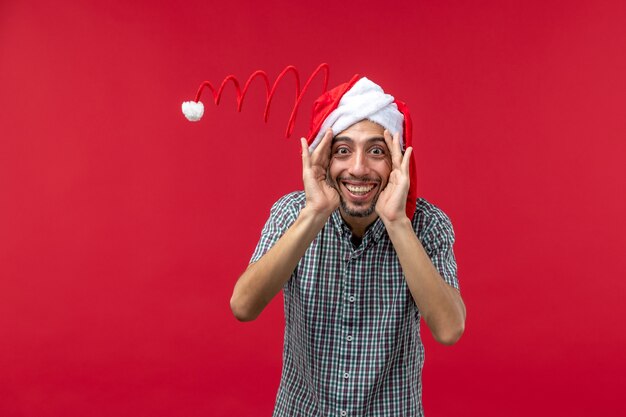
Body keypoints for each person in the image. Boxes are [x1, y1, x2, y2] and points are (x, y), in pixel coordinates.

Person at [230, 76, 466, 417]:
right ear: (323, 159)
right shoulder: (291, 214)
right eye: (343, 150)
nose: (358, 168)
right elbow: (243, 306)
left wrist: (398, 222)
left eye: (376, 151)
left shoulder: (428, 225)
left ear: (398, 162)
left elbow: (449, 329)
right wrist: (314, 214)